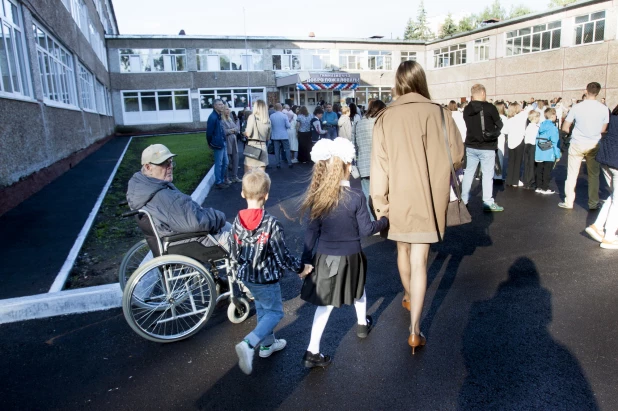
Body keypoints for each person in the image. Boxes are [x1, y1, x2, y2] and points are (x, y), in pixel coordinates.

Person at [371, 60, 464, 355]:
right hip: (428, 196)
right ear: (421, 81)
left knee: (402, 250)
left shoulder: (384, 118)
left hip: (398, 196)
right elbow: (458, 156)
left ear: (398, 84)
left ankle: (410, 295)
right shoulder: (439, 113)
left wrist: (380, 207)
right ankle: (415, 330)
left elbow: (379, 168)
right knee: (420, 260)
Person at [300, 138, 389, 368]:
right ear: (348, 167)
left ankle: (312, 351)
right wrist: (384, 221)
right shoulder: (356, 197)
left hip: (325, 257)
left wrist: (306, 261)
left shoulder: (319, 196)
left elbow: (311, 232)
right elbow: (367, 229)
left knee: (325, 304)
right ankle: (362, 325)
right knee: (358, 289)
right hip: (352, 256)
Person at [231, 170, 313, 375]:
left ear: (242, 193)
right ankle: (249, 343)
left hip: (247, 277)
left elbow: (233, 251)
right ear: (266, 196)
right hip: (266, 279)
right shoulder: (271, 224)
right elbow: (282, 256)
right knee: (275, 312)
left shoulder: (236, 221)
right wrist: (301, 268)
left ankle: (267, 345)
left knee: (263, 310)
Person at [126, 144, 230, 251]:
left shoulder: (144, 188)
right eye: (164, 164)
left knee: (229, 228)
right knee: (240, 240)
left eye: (170, 162)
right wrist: (219, 216)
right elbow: (196, 222)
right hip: (191, 243)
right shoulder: (162, 196)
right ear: (148, 167)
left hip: (177, 238)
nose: (170, 167)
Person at [559, 82, 610, 210]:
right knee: (593, 175)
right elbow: (603, 129)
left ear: (585, 91)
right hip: (594, 143)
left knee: (572, 174)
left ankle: (568, 202)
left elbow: (565, 127)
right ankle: (593, 202)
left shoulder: (577, 107)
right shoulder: (604, 108)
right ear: (598, 93)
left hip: (577, 143)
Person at [461, 84, 504, 211]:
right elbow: (499, 124)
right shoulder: (490, 107)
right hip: (487, 146)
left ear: (472, 95)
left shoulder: (467, 109)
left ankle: (464, 199)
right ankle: (487, 202)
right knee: (487, 174)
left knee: (468, 173)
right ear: (483, 93)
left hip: (470, 145)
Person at [586, 104, 618, 249]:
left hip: (606, 158)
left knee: (614, 196)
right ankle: (609, 236)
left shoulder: (615, 115)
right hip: (615, 160)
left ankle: (597, 226)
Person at [354, 99, 386, 207]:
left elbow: (354, 144)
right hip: (380, 164)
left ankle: (371, 221)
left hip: (363, 165)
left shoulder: (359, 123)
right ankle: (382, 220)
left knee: (367, 196)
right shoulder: (380, 122)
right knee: (383, 194)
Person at [534, 108, 561, 194]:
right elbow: (555, 142)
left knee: (539, 169)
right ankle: (545, 187)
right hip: (549, 151)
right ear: (552, 116)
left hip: (540, 149)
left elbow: (537, 139)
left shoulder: (541, 125)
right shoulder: (553, 127)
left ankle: (538, 186)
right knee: (547, 170)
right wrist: (557, 155)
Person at [503, 102, 530, 187]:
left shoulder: (509, 120)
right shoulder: (522, 117)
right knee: (518, 162)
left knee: (511, 161)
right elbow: (529, 109)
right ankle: (515, 181)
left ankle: (509, 180)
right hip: (519, 141)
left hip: (511, 142)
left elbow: (504, 131)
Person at [206, 99, 229, 189]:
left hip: (222, 142)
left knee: (225, 162)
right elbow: (209, 132)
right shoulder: (212, 117)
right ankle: (218, 182)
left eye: (222, 104)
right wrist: (210, 143)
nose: (222, 106)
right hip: (217, 143)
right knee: (218, 164)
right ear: (215, 106)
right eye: (219, 104)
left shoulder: (218, 115)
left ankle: (221, 180)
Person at [244, 100, 271, 173]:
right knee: (261, 175)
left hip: (252, 146)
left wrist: (244, 133)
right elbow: (268, 138)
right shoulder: (267, 120)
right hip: (263, 146)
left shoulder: (252, 117)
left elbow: (248, 133)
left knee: (248, 175)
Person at [269, 103, 292, 169]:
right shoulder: (284, 116)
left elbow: (270, 126)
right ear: (281, 108)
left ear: (275, 108)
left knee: (276, 150)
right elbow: (288, 126)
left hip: (275, 135)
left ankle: (278, 164)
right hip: (284, 135)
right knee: (287, 149)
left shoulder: (272, 116)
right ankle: (289, 162)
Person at [222, 107, 241, 183]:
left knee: (236, 158)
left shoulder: (230, 119)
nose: (228, 110)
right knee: (227, 160)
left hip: (233, 141)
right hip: (227, 141)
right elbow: (224, 131)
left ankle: (234, 176)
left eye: (228, 109)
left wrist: (232, 130)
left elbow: (237, 128)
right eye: (226, 109)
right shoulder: (222, 120)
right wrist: (232, 130)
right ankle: (226, 178)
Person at [494, 101, 507, 182]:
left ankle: (493, 174)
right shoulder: (504, 118)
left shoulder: (493, 118)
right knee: (500, 156)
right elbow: (505, 130)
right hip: (501, 137)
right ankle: (498, 175)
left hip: (493, 138)